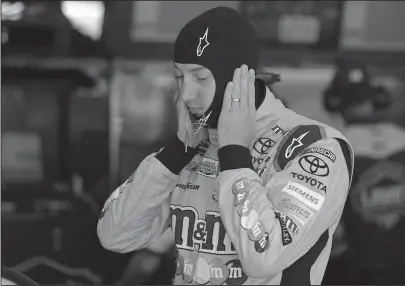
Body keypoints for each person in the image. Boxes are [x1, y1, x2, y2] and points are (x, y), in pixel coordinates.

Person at [98, 7, 353, 285]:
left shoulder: (318, 146)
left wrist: (234, 154)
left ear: (239, 78)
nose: (186, 94)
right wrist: (175, 152)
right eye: (180, 77)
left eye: (200, 77)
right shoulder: (193, 145)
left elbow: (264, 256)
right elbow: (115, 235)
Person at [322, 61, 405, 284]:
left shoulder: (331, 148)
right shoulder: (402, 140)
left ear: (334, 102)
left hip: (356, 272)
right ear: (378, 99)